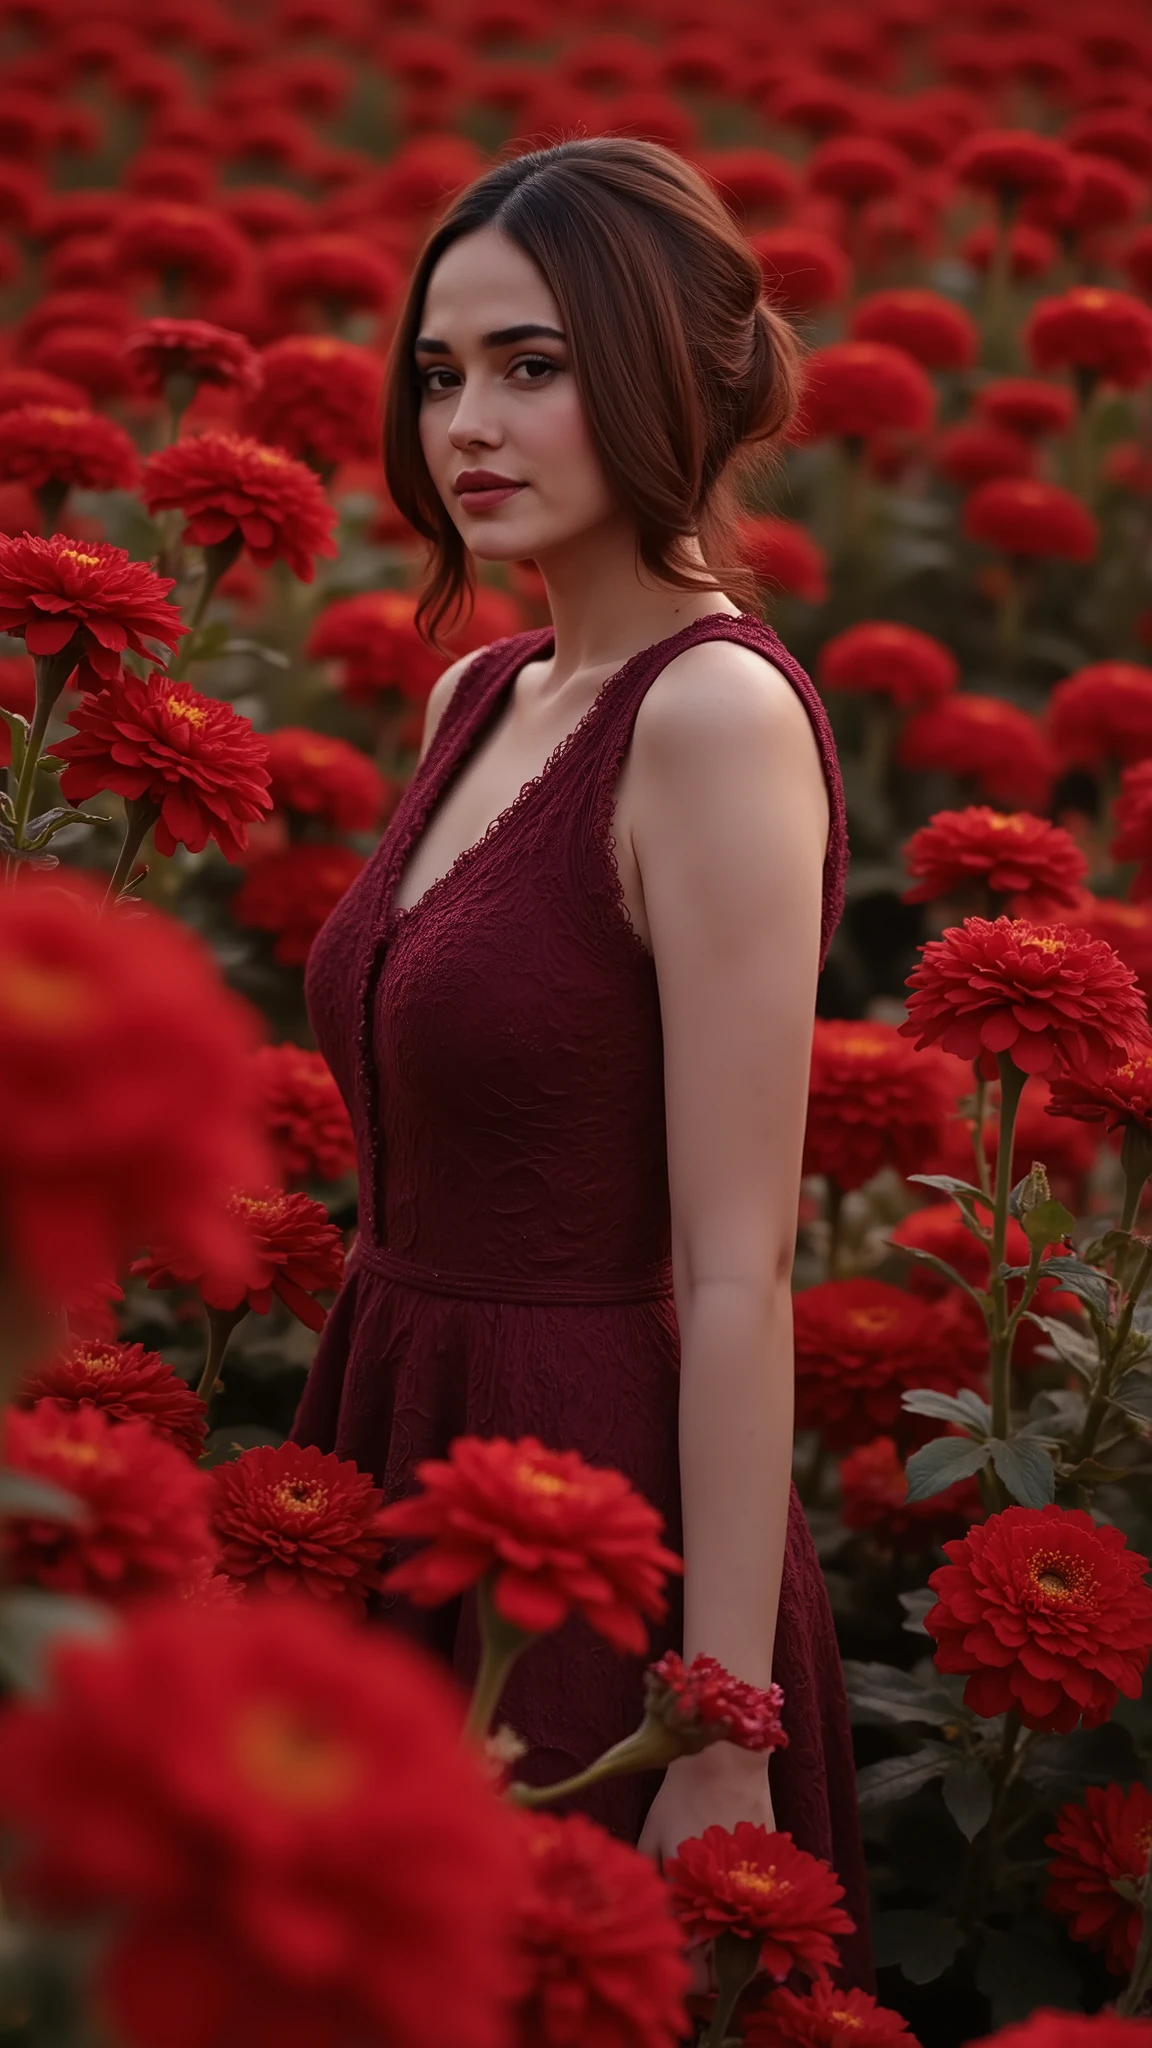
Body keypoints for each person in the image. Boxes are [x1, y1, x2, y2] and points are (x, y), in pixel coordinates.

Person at [290, 134, 870, 1986]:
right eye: (442, 372)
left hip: (588, 1501)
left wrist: (712, 1722)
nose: (470, 420)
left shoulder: (708, 719)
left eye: (531, 366)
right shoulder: (483, 692)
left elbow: (735, 1267)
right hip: (390, 1419)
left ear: (654, 372)